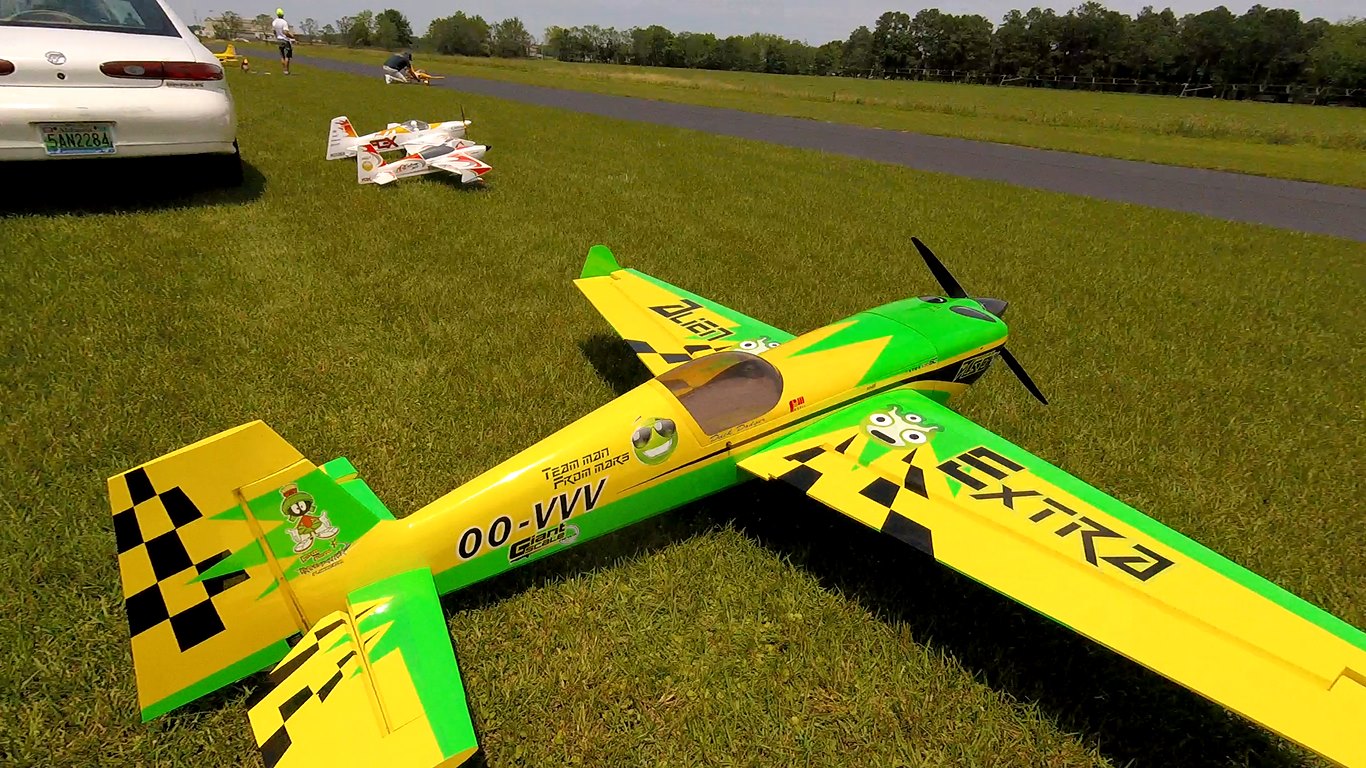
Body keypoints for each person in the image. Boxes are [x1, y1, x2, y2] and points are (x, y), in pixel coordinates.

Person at [271, 8, 295, 75]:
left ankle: (284, 69)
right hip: (285, 40)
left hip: (279, 40)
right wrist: (291, 36)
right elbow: (285, 32)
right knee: (287, 56)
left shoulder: (274, 22)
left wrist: (277, 36)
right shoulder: (284, 22)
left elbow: (274, 31)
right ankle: (286, 70)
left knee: (282, 56)